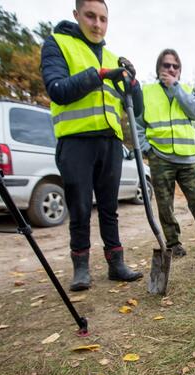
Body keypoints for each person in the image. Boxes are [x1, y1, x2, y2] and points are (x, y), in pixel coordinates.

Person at [40, 0, 142, 291]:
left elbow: (137, 110)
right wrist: (98, 75)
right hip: (75, 142)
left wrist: (133, 84)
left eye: (103, 19)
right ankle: (81, 267)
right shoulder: (57, 43)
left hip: (110, 142)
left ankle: (116, 263)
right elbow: (57, 90)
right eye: (90, 16)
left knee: (110, 207)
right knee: (81, 206)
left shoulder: (111, 56)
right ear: (77, 15)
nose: (97, 24)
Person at [135, 49, 195, 258]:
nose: (171, 69)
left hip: (187, 157)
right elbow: (138, 123)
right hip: (160, 157)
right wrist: (147, 148)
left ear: (180, 70)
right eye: (166, 65)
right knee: (165, 205)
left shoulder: (188, 90)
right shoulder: (146, 92)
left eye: (175, 66)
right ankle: (173, 243)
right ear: (158, 68)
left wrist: (175, 87)